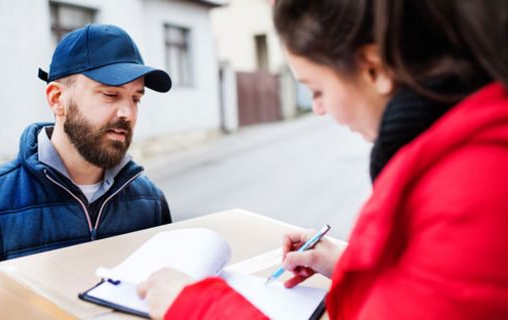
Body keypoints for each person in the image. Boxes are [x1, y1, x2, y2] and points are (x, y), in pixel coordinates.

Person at [137, 0, 508, 319]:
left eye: (317, 89)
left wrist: (194, 307)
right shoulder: (458, 151)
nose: (318, 109)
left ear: (372, 68)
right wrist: (352, 265)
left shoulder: (475, 187)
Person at [0, 24, 173, 319]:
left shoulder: (150, 202)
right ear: (56, 99)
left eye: (135, 98)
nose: (127, 113)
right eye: (109, 94)